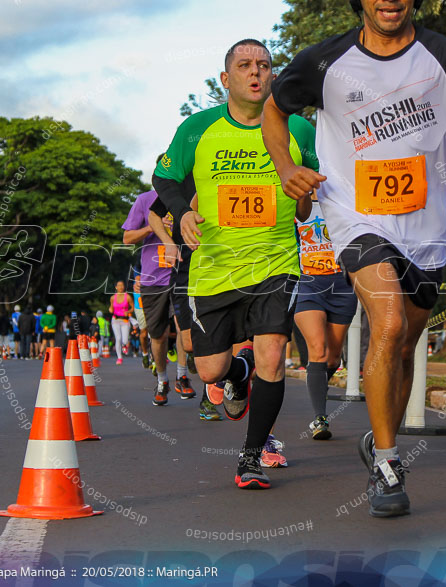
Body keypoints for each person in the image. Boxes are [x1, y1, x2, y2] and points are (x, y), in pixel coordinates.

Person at [263, 0, 446, 515]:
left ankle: (383, 444)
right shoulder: (324, 62)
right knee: (389, 321)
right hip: (356, 215)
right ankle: (387, 463)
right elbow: (275, 107)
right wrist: (286, 165)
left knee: (404, 347)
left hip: (425, 226)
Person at [153, 39, 317, 489]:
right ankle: (235, 377)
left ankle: (250, 456)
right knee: (210, 370)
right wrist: (183, 212)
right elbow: (163, 177)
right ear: (226, 79)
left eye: (264, 65)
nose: (256, 73)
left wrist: (304, 196)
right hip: (213, 268)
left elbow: (308, 200)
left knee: (272, 357)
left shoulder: (299, 130)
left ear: (273, 76)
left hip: (275, 262)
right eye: (244, 65)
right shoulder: (198, 129)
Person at [149, 190, 223, 420]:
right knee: (189, 343)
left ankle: (208, 400)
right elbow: (153, 215)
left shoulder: (221, 170)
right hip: (184, 269)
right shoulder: (178, 181)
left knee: (215, 335)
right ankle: (197, 360)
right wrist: (169, 243)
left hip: (218, 266)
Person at [122, 184, 196, 402]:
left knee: (185, 328)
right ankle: (162, 381)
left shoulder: (189, 196)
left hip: (184, 274)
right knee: (158, 335)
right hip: (153, 279)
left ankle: (182, 376)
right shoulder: (145, 200)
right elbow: (127, 238)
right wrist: (151, 228)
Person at [293, 194, 358, 440]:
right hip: (307, 284)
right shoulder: (296, 204)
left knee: (331, 360)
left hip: (342, 286)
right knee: (317, 349)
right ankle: (320, 418)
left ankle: (318, 382)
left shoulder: (344, 200)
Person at [107, 281, 133, 365]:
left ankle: (124, 345)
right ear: (116, 287)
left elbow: (133, 307)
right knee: (118, 338)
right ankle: (119, 357)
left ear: (124, 287)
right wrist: (110, 309)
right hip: (115, 320)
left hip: (125, 320)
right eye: (119, 285)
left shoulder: (128, 297)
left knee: (125, 340)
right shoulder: (112, 298)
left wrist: (128, 311)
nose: (121, 287)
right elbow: (111, 307)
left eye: (122, 285)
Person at [131, 274, 150, 368]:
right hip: (140, 304)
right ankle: (145, 354)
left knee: (155, 331)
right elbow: (136, 274)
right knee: (144, 332)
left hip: (154, 297)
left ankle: (155, 357)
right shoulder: (140, 262)